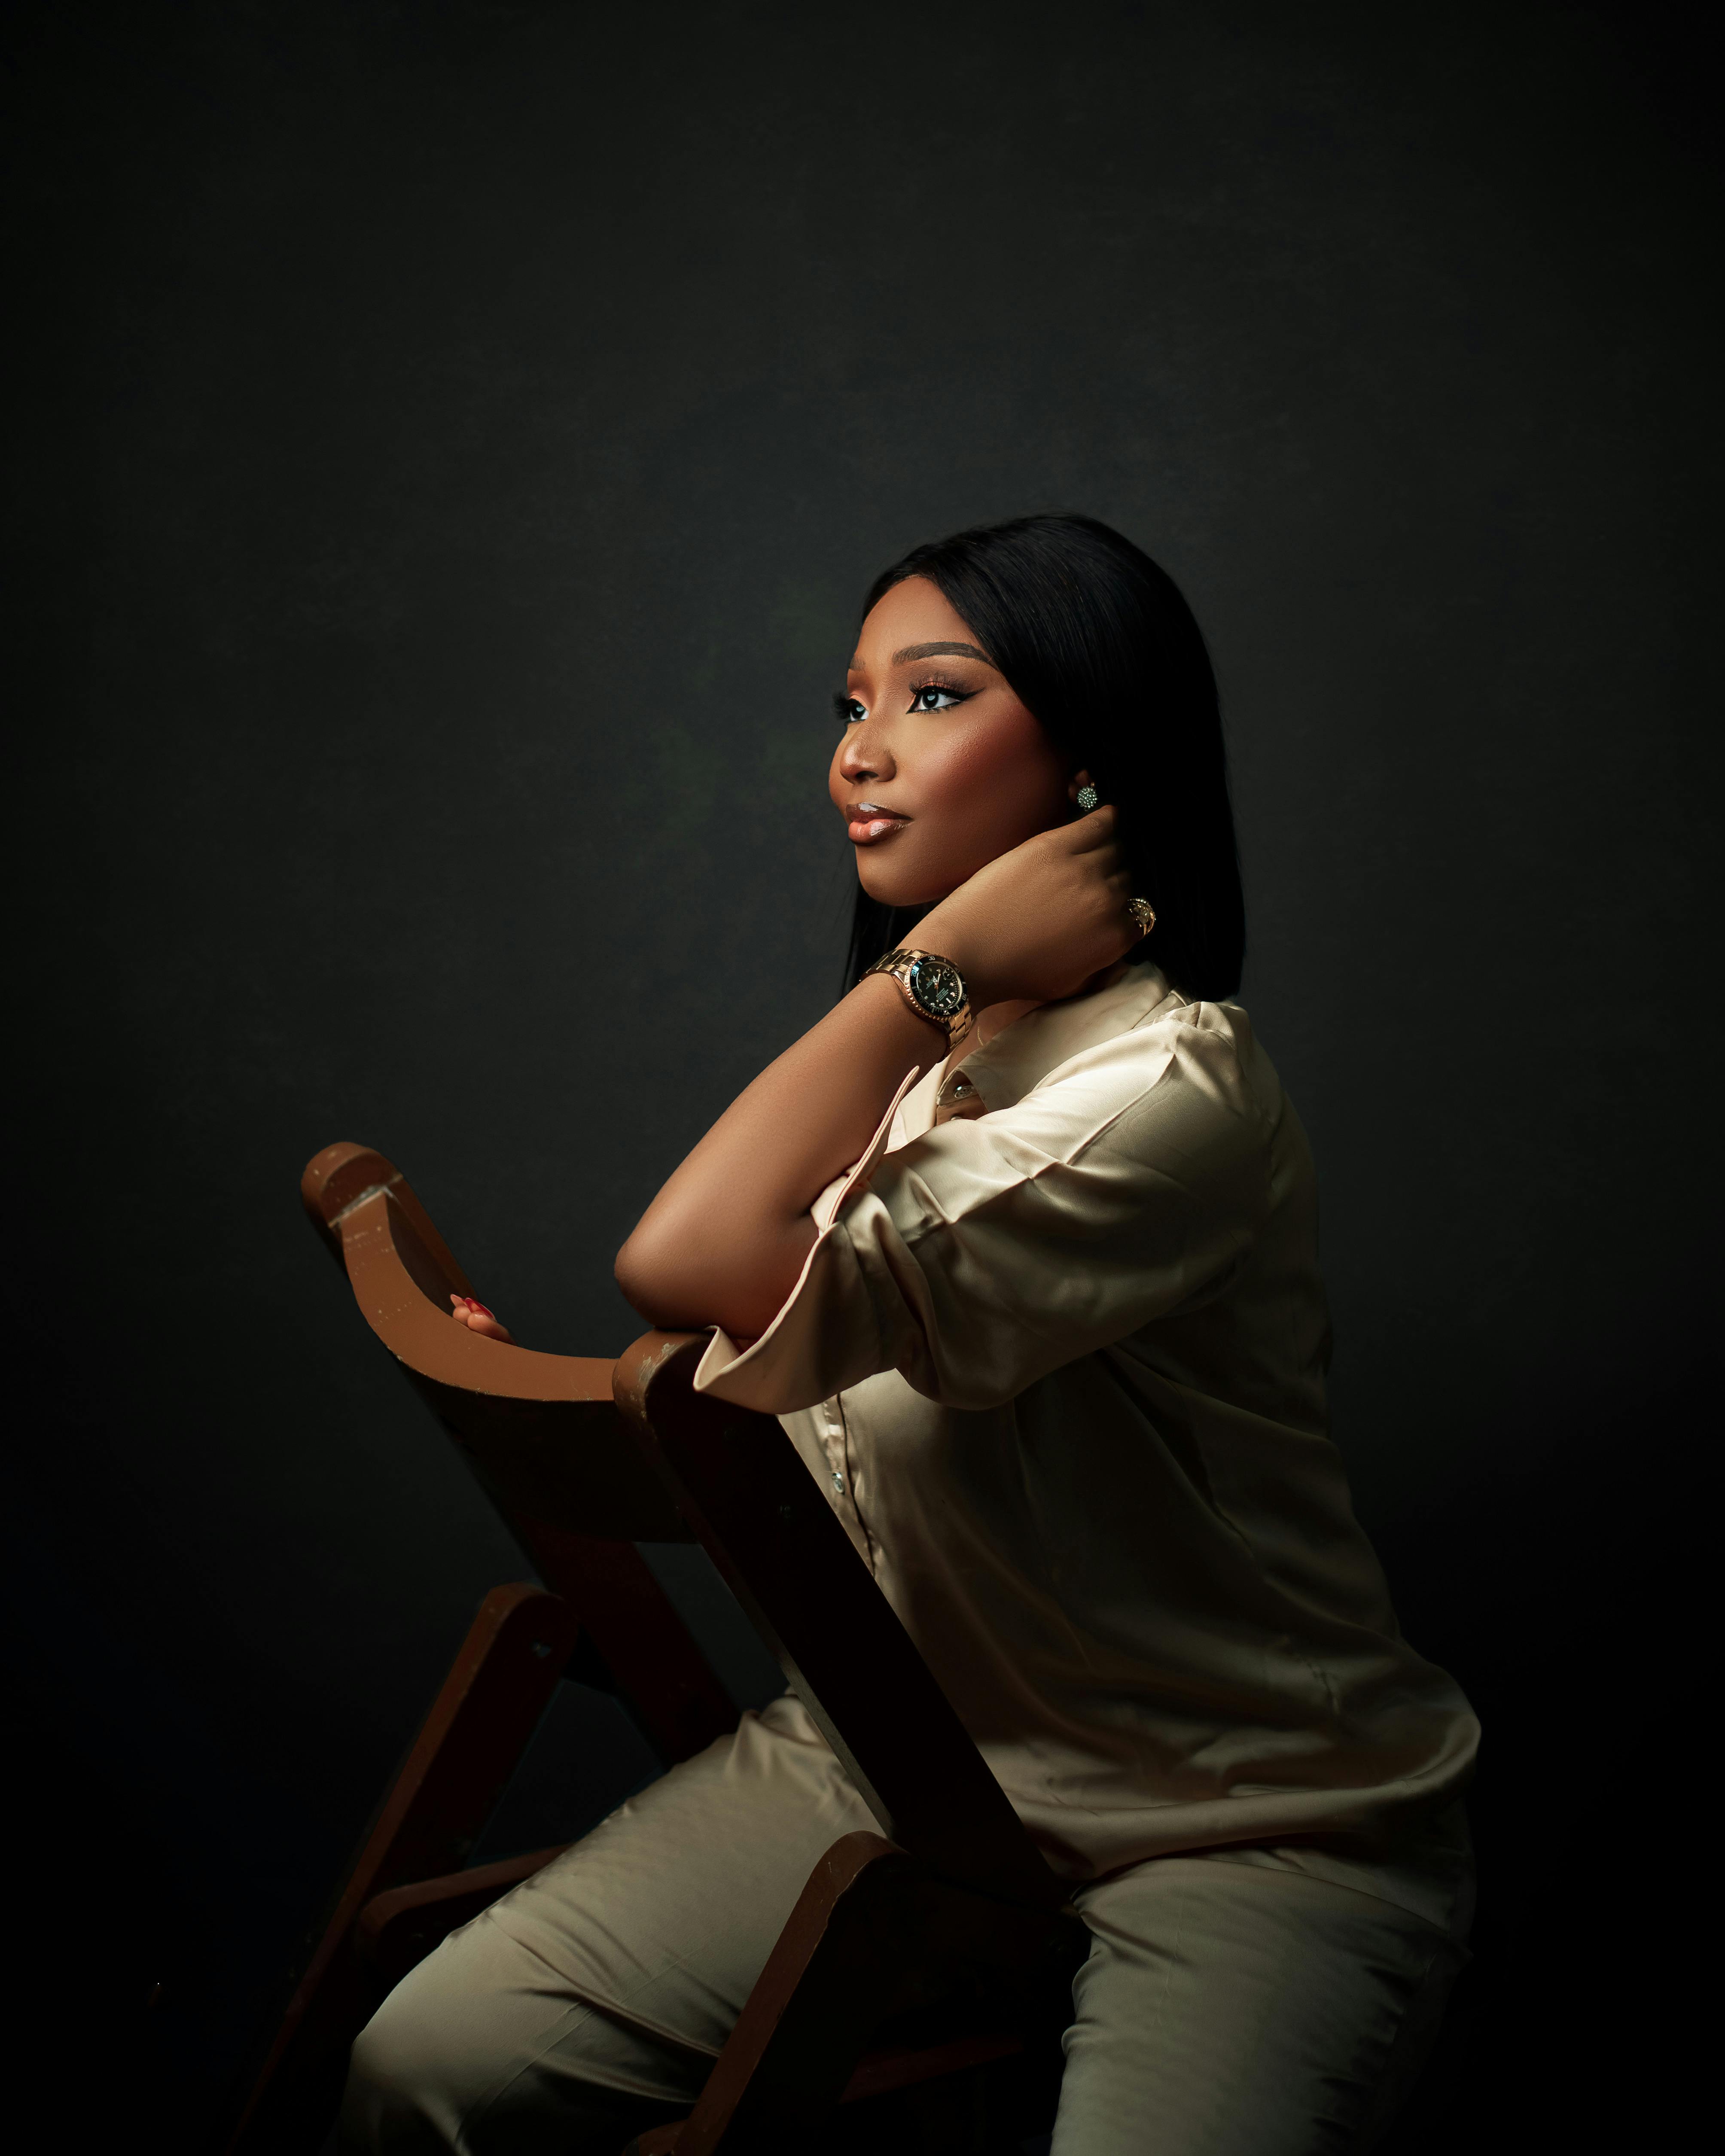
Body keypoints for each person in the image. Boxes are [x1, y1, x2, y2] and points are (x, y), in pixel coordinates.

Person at [341, 513, 1479, 2155]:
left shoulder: (1165, 1093)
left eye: (933, 697)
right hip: (903, 1761)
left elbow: (681, 1255)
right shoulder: (930, 1080)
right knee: (424, 2068)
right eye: (851, 703)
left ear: (1090, 756)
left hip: (1243, 1823)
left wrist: (930, 962)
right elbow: (772, 1348)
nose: (858, 755)